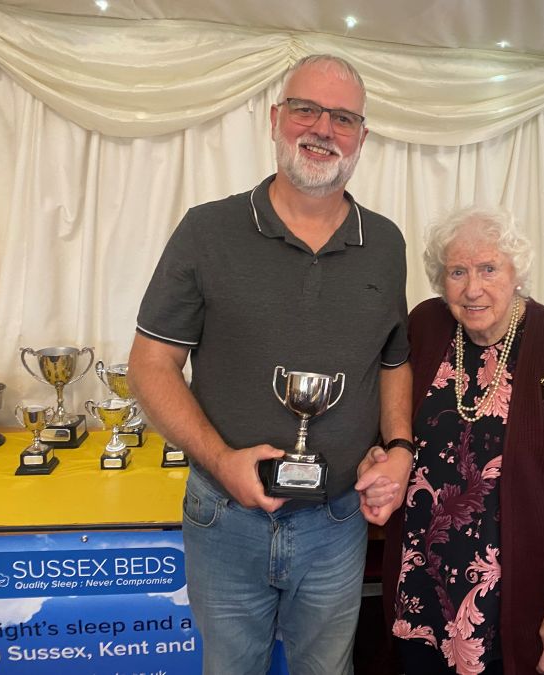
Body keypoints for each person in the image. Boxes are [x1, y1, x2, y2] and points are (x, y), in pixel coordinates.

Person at [127, 54, 414, 675]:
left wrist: (399, 447)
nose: (323, 129)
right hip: (224, 518)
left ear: (362, 137)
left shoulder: (386, 243)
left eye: (343, 118)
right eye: (306, 109)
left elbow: (394, 360)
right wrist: (220, 461)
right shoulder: (207, 230)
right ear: (276, 118)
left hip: (337, 522)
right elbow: (150, 365)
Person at [377, 205, 544, 674]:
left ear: (515, 272)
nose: (472, 288)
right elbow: (393, 415)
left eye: (489, 269)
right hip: (420, 579)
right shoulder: (426, 325)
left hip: (509, 594)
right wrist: (379, 455)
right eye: (457, 272)